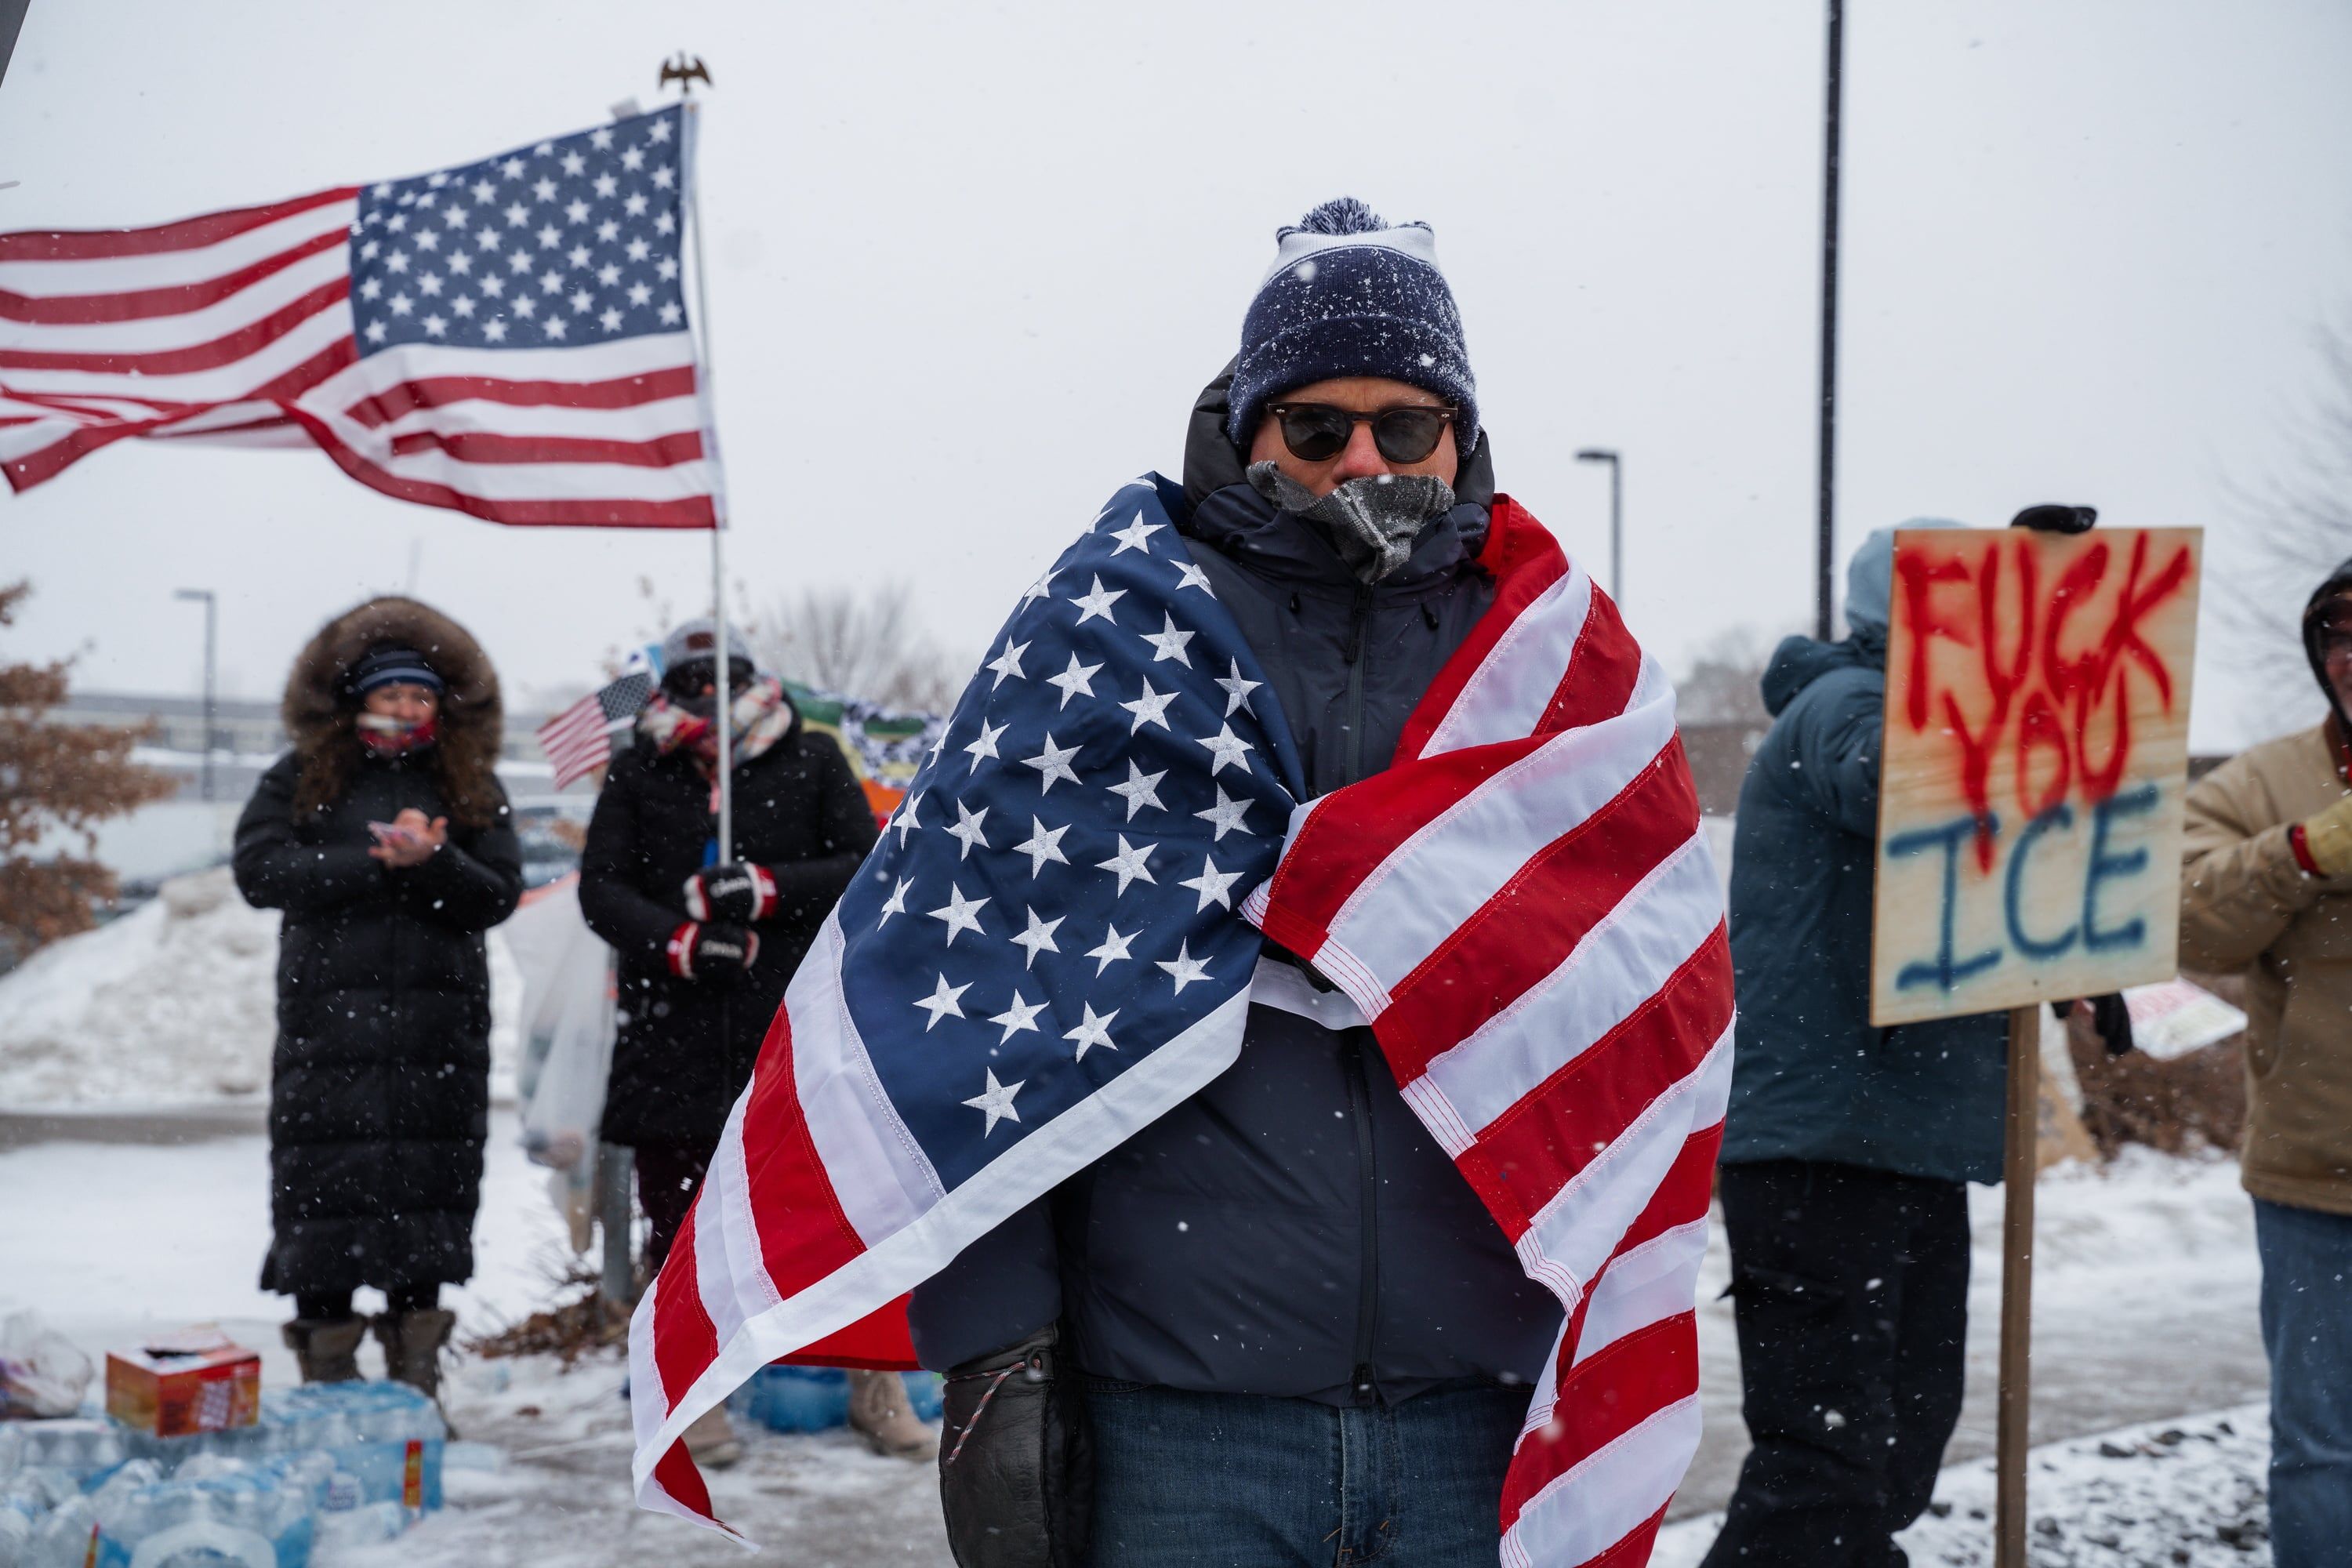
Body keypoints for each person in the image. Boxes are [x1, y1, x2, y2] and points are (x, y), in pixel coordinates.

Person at [909, 200, 1578, 1566]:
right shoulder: (1112, 641)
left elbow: (1636, 1008)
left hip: (1482, 1409)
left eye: (1405, 424)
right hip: (1182, 1419)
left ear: (1460, 438)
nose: (1361, 459)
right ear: (1249, 427)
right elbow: (978, 1005)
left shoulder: (1547, 665)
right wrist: (997, 1348)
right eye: (1316, 426)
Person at [1703, 522, 1998, 1567]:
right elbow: (1903, 784)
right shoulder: (1846, 705)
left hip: (1906, 1138)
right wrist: (2043, 659)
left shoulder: (1946, 719)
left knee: (1891, 1458)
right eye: (1968, 605)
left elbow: (1983, 878)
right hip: (1820, 1148)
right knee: (1824, 1466)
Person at [576, 620, 914, 1464]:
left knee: (830, 1207)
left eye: (724, 679)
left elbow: (864, 864)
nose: (710, 697)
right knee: (680, 1219)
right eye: (693, 682)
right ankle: (694, 1394)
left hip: (794, 1026)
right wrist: (681, 941)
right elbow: (603, 889)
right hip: (672, 1033)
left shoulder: (813, 756)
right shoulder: (640, 768)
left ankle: (872, 1386)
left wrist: (767, 888)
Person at [234, 597, 522, 1396]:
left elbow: (498, 892)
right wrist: (370, 863)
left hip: (438, 1036)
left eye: (421, 695)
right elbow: (259, 871)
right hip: (329, 1036)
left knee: (424, 1208)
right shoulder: (302, 776)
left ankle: (414, 1385)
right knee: (322, 1206)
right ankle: (328, 1383)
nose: (407, 707)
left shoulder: (468, 782)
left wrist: (434, 863)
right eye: (392, 692)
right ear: (358, 698)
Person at [2178, 560, 2352, 1567]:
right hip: (2314, 1177)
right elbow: (2183, 919)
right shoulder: (2261, 780)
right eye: (2338, 636)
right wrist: (2300, 852)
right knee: (2322, 1447)